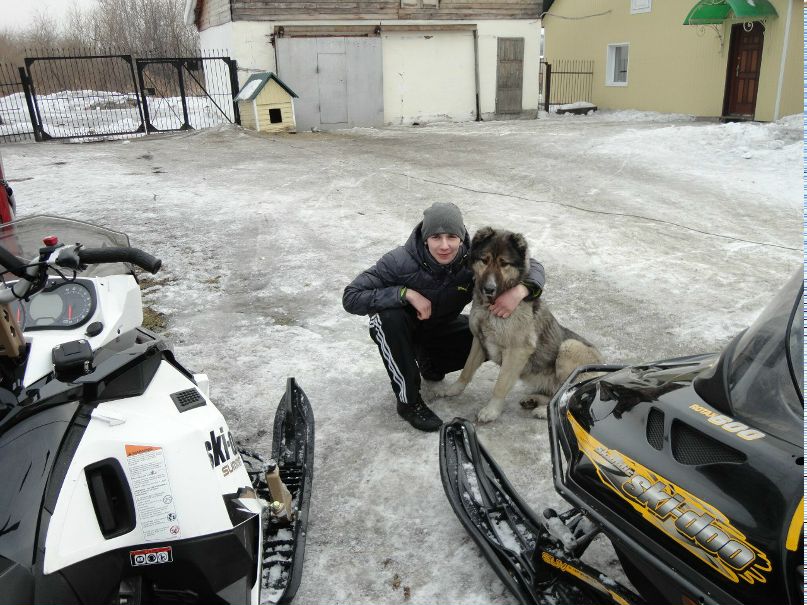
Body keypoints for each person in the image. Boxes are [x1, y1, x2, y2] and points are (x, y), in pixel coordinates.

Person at [342, 202, 545, 431]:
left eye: (452, 236)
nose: (445, 245)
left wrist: (521, 291)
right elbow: (351, 297)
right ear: (425, 237)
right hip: (403, 331)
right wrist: (404, 294)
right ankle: (408, 402)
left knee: (485, 336)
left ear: (462, 237)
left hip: (438, 328)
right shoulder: (398, 262)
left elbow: (532, 263)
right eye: (436, 237)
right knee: (386, 318)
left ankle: (431, 363)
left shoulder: (474, 257)